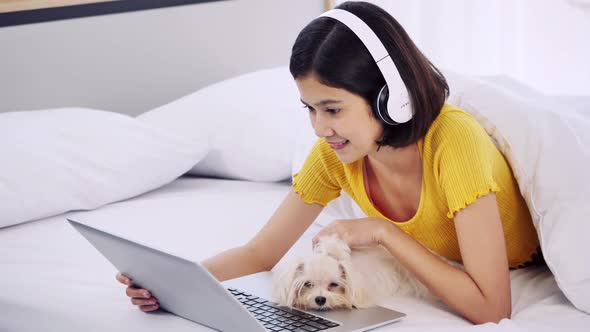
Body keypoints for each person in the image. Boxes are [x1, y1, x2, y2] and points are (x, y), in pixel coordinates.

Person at [116, 1, 542, 325]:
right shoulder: (335, 155)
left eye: (333, 109)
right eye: (309, 109)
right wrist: (175, 282)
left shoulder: (454, 142)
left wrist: (382, 232)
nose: (320, 128)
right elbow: (261, 253)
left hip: (524, 258)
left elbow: (492, 308)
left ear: (390, 98)